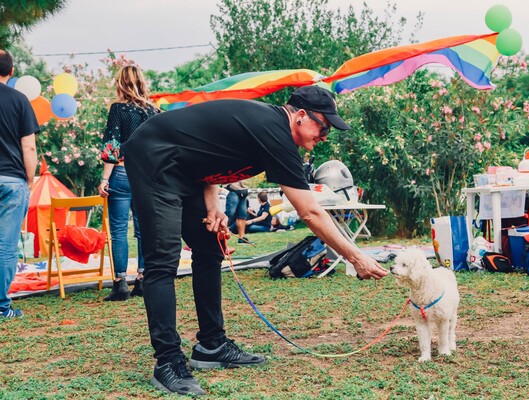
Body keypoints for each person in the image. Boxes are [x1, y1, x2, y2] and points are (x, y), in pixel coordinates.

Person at [122, 85, 388, 396]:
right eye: (323, 126)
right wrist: (356, 257)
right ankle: (167, 361)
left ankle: (211, 344)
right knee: (163, 260)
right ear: (301, 116)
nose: (325, 136)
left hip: (186, 167)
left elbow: (206, 155)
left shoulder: (272, 131)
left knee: (210, 248)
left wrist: (213, 207)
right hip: (153, 155)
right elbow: (310, 212)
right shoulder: (274, 131)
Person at [98, 65, 160, 301]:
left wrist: (105, 178)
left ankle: (120, 283)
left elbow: (112, 145)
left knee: (119, 230)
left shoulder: (118, 109)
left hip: (122, 173)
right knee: (145, 229)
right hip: (147, 174)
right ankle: (143, 280)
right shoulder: (154, 111)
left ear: (121, 83)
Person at [0, 49, 39, 318]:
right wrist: (28, 178)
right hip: (12, 180)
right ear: (11, 72)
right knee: (5, 245)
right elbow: (29, 148)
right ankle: (2, 308)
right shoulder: (20, 100)